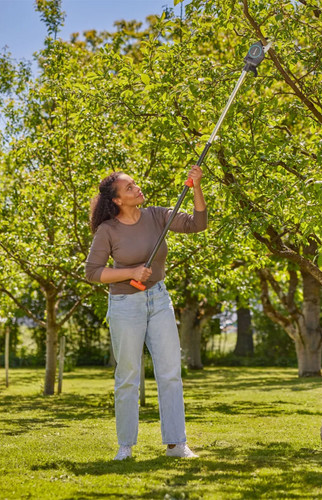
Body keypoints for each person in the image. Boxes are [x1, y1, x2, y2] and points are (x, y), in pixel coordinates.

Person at [85, 165, 207, 460]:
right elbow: (93, 272)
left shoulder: (157, 216)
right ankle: (125, 446)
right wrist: (130, 272)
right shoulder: (107, 230)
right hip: (126, 304)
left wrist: (197, 187)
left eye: (135, 184)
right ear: (117, 200)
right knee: (128, 375)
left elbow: (197, 224)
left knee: (170, 373)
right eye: (129, 188)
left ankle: (176, 444)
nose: (137, 188)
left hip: (159, 299)